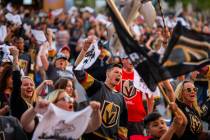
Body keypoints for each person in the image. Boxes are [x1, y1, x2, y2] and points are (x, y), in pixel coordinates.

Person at [74, 37, 128, 140]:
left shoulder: (121, 98)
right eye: (116, 72)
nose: (119, 75)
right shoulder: (96, 86)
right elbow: (78, 71)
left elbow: (123, 125)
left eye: (121, 74)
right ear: (107, 73)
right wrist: (84, 50)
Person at [20, 89, 101, 139]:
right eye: (65, 98)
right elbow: (25, 124)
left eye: (70, 98)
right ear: (54, 103)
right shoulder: (42, 118)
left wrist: (96, 111)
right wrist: (34, 109)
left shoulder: (75, 120)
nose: (70, 101)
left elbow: (94, 125)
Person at [115, 55, 148, 138]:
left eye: (133, 58)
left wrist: (149, 118)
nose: (132, 60)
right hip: (120, 118)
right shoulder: (116, 74)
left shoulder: (141, 75)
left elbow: (149, 97)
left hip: (138, 118)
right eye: (129, 58)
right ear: (123, 60)